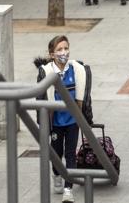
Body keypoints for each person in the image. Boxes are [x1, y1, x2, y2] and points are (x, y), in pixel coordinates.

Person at [35, 35, 92, 203]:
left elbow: (85, 96)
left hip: (72, 121)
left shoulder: (77, 69)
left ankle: (68, 189)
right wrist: (43, 123)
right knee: (56, 153)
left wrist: (87, 117)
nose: (64, 52)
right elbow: (41, 99)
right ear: (52, 54)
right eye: (59, 49)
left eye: (66, 48)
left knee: (71, 154)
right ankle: (56, 174)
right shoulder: (46, 72)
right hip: (56, 122)